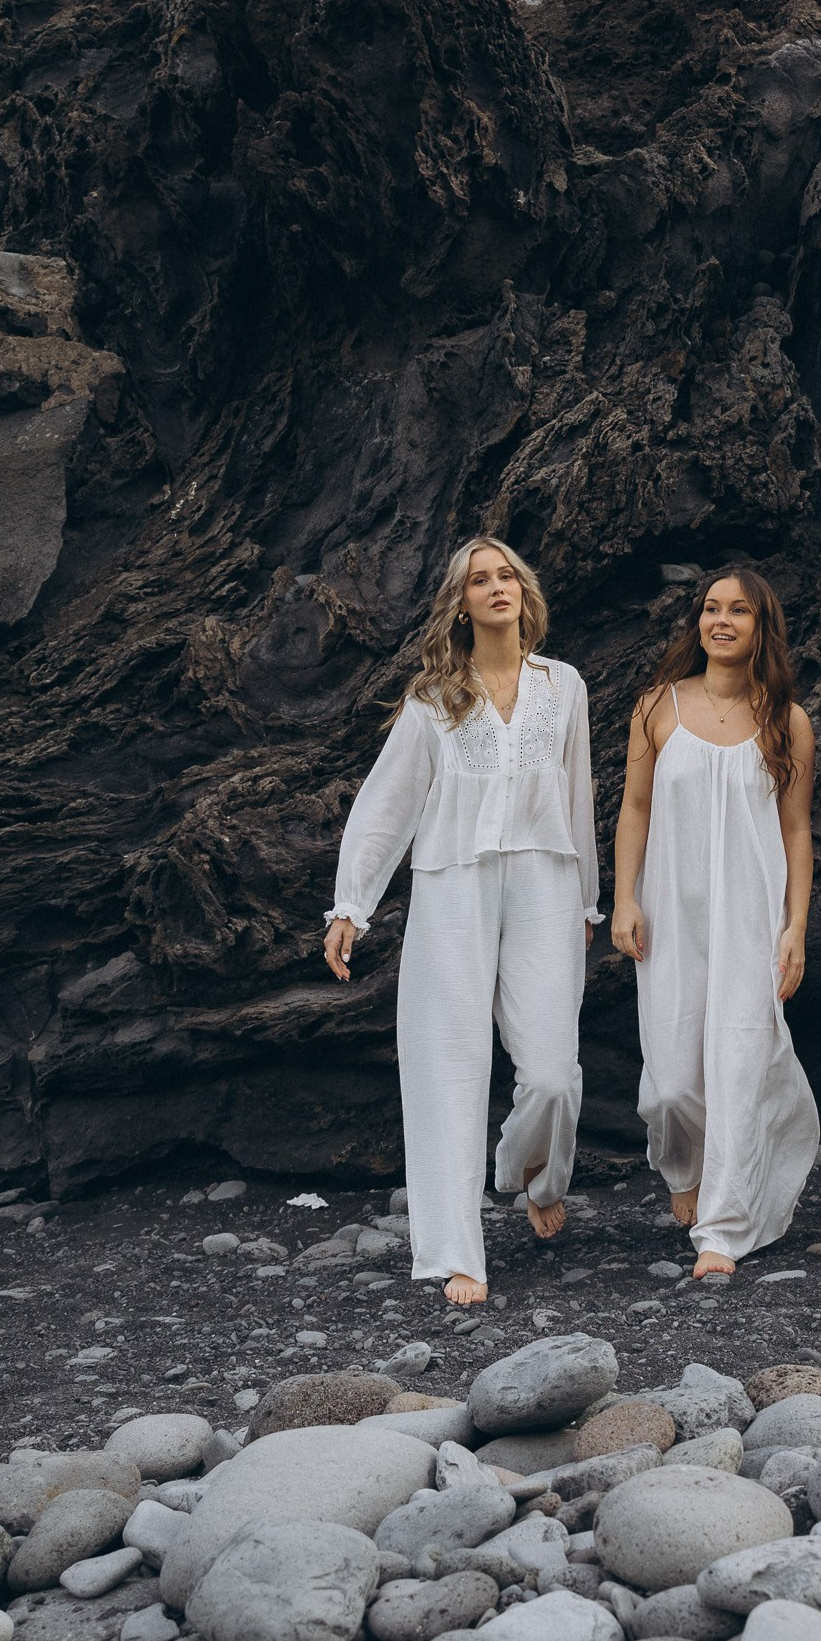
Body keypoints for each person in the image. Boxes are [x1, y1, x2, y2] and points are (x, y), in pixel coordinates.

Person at [322, 538, 597, 1307]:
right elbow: (386, 807)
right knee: (448, 1068)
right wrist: (352, 905)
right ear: (462, 602)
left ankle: (527, 1173)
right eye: (480, 579)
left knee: (550, 1074)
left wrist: (586, 901)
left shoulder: (563, 686)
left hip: (546, 881)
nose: (497, 586)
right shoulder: (433, 699)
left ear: (523, 590)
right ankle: (457, 1254)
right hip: (453, 889)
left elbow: (579, 797)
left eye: (507, 573)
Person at [612, 564, 818, 1282]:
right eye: (710, 609)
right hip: (671, 912)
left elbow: (797, 833)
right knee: (670, 1082)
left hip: (751, 915)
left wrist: (795, 926)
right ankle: (684, 1168)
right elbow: (633, 808)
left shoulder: (785, 720)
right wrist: (624, 898)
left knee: (736, 1064)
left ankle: (722, 1232)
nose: (720, 620)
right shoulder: (656, 708)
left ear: (762, 627)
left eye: (738, 611)